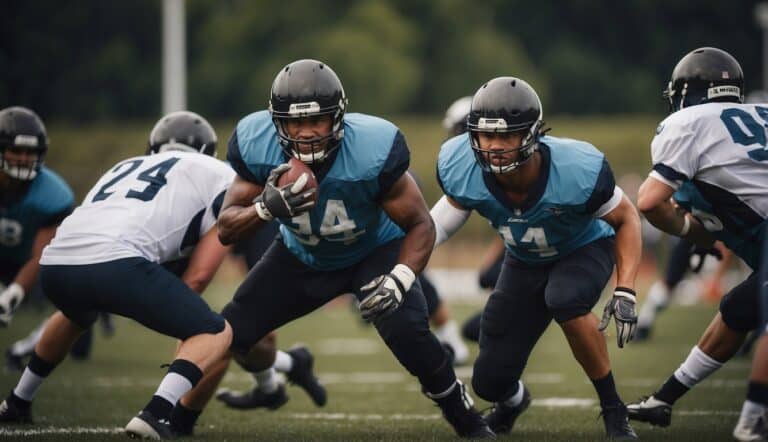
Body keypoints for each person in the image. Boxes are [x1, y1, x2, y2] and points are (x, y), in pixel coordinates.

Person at [176, 59, 493, 439]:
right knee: (232, 333)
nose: (306, 133)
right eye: (295, 123)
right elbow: (226, 229)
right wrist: (265, 207)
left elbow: (420, 223)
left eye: (316, 121)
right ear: (277, 122)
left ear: (338, 118)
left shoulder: (373, 148)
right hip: (300, 254)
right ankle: (178, 420)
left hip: (372, 250)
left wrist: (401, 277)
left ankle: (462, 414)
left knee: (407, 332)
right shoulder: (256, 143)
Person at [0, 111, 235, 440]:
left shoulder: (123, 166)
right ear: (209, 151)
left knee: (75, 314)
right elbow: (198, 276)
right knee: (216, 332)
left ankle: (17, 400)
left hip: (54, 265)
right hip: (117, 263)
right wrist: (177, 313)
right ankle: (156, 414)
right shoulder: (219, 173)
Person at [430, 76, 642, 439]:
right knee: (488, 381)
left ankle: (613, 409)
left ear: (531, 134)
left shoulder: (576, 168)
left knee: (565, 298)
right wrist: (398, 266)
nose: (494, 146)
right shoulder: (462, 166)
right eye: (487, 135)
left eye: (506, 135)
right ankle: (514, 401)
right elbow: (433, 229)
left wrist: (625, 289)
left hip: (584, 247)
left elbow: (626, 218)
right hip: (524, 258)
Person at [626, 47, 768, 442]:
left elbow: (651, 200)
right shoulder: (760, 114)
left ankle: (755, 418)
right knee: (738, 309)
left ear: (688, 93)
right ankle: (665, 399)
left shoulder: (688, 121)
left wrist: (690, 232)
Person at [0, 107, 74, 326]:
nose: (24, 158)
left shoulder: (53, 194)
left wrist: (12, 294)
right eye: (17, 150)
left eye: (30, 152)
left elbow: (40, 255)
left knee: (77, 299)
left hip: (29, 263)